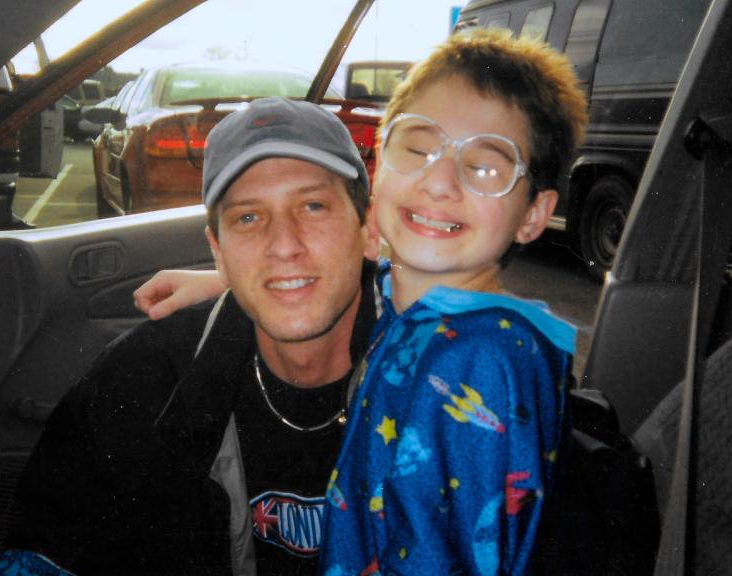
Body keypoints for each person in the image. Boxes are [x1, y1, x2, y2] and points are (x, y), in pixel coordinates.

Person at [136, 29, 589, 575]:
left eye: (486, 166)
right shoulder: (427, 310)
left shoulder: (475, 364)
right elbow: (368, 281)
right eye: (419, 148)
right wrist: (228, 279)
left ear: (535, 214)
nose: (440, 181)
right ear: (380, 172)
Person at [0, 96, 380, 575]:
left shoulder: (444, 379)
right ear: (217, 250)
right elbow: (44, 557)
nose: (283, 245)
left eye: (314, 205)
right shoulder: (146, 381)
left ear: (370, 228)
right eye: (249, 218)